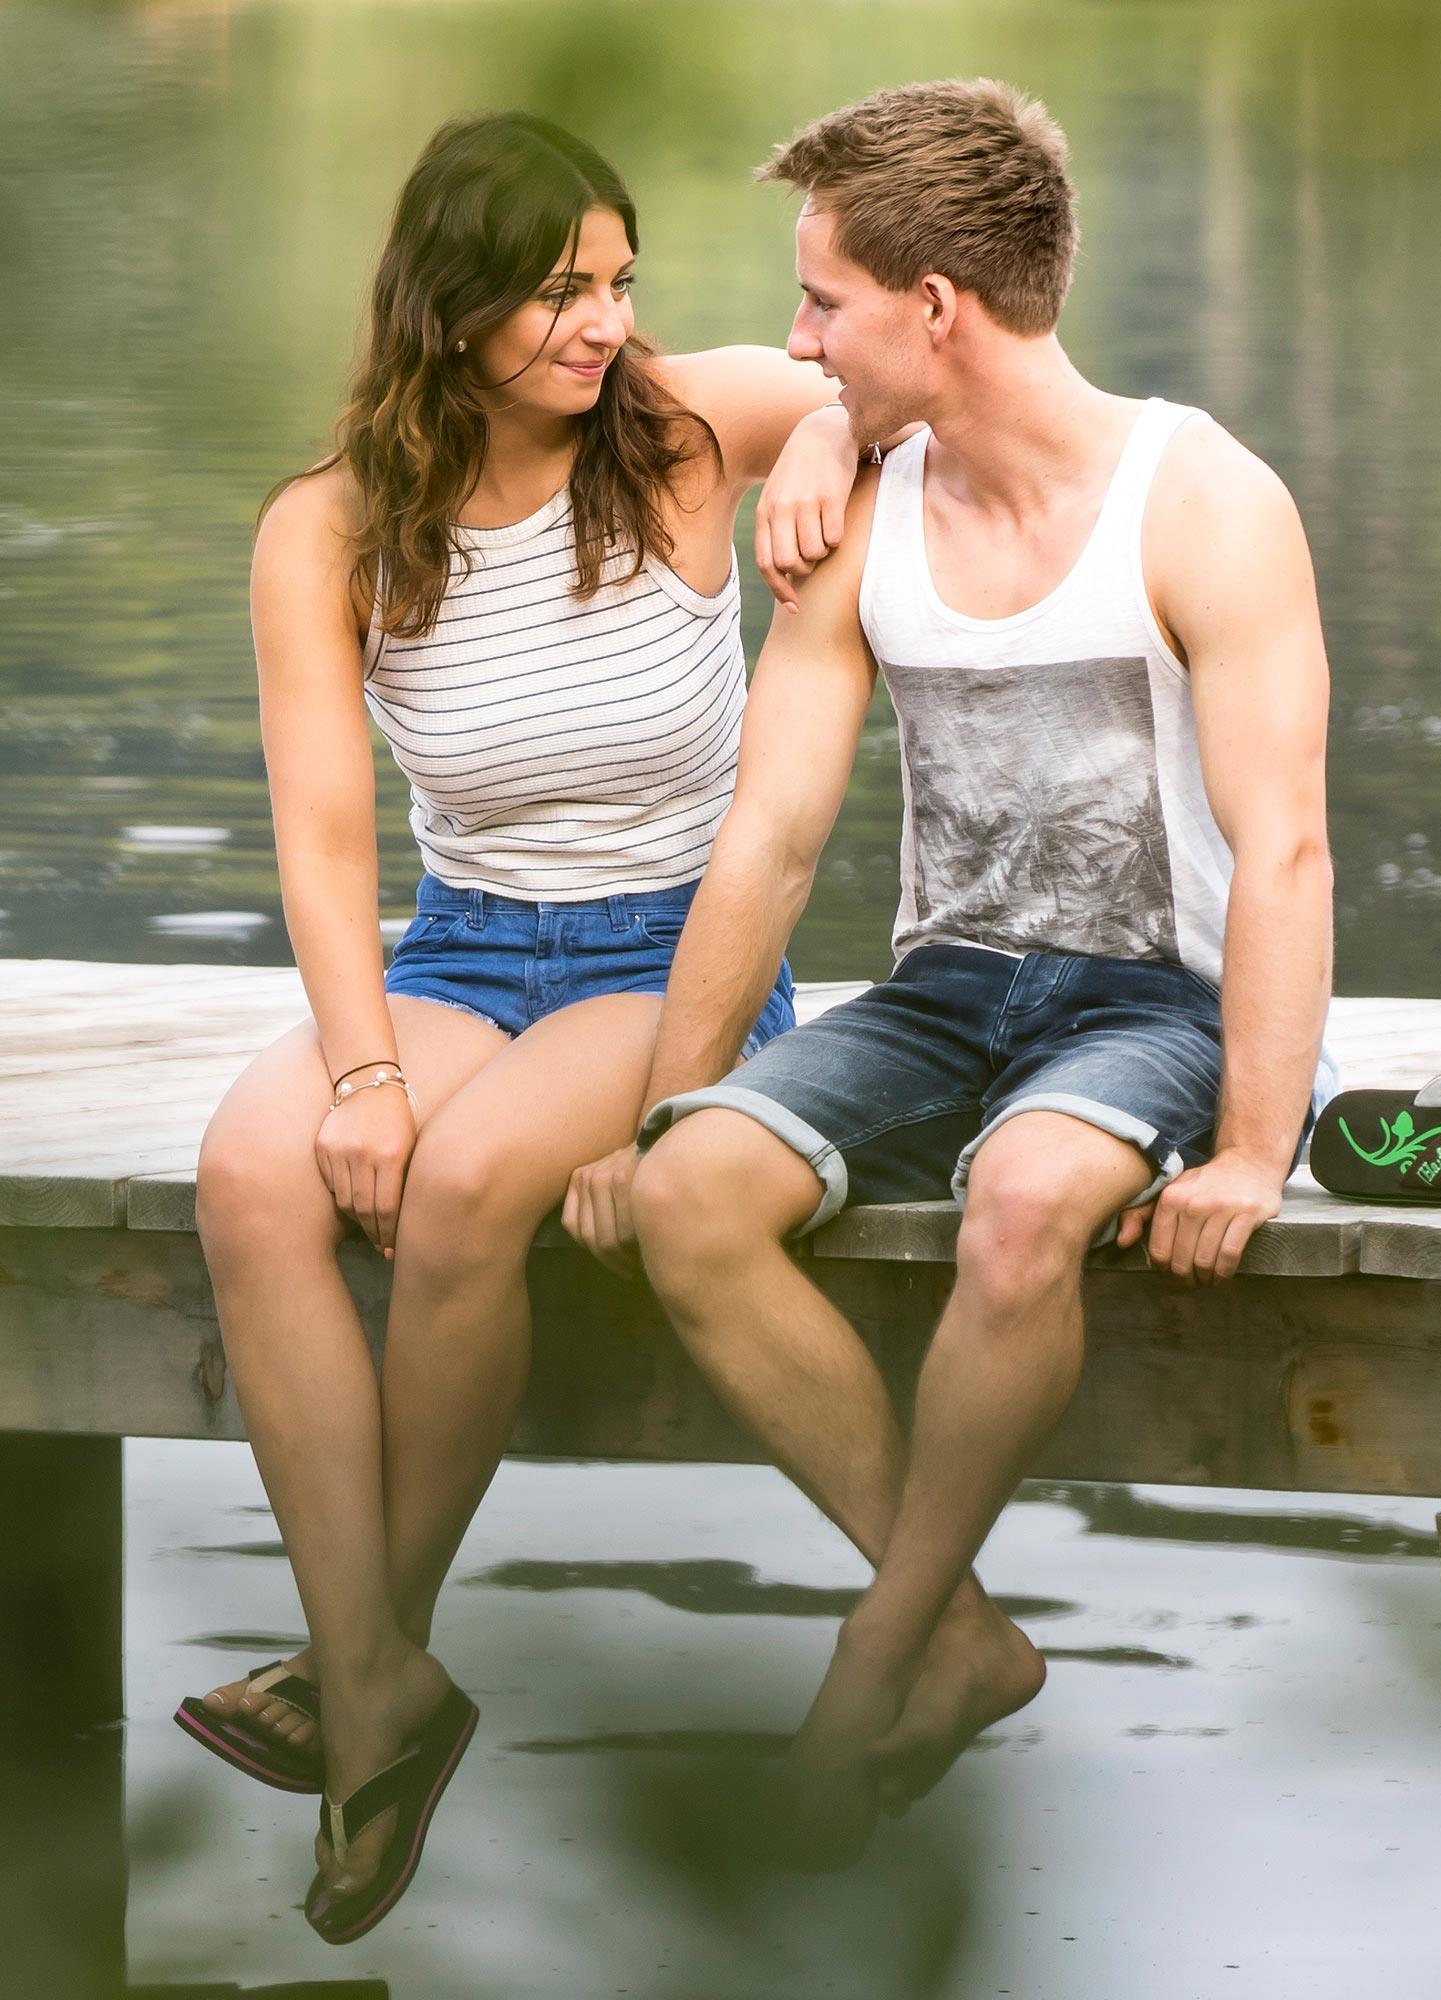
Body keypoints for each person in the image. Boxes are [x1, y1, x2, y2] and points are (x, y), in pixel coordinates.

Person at [567, 79, 1336, 1868]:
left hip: (1162, 1000)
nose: (793, 336)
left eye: (823, 302)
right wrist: (661, 1112)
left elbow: (1285, 848)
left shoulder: (1203, 501)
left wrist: (1251, 1145)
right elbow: (766, 840)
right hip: (946, 990)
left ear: (938, 308)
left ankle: (879, 1646)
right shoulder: (864, 515)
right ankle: (960, 1627)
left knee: (1021, 1205)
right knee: (691, 1197)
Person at [181, 111, 868, 1939]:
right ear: (453, 298)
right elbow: (322, 840)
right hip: (468, 946)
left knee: (472, 1186)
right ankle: (383, 1679)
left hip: (676, 956)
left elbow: (926, 378)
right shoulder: (326, 527)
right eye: (562, 287)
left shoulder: (690, 430)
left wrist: (838, 450)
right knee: (255, 1175)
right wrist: (361, 1073)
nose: (604, 319)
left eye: (620, 278)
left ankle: (356, 1678)